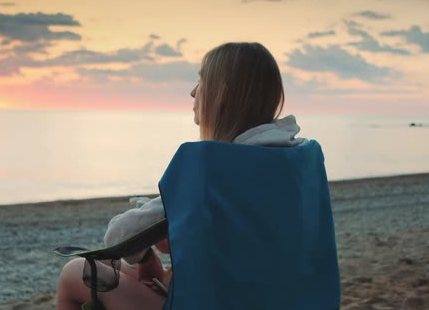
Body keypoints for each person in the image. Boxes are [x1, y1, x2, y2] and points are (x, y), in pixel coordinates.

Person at [56, 42, 308, 310]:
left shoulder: (209, 168)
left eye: (201, 81)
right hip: (286, 300)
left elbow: (118, 238)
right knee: (127, 272)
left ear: (223, 94)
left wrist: (141, 254)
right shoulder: (296, 159)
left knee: (76, 272)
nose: (192, 92)